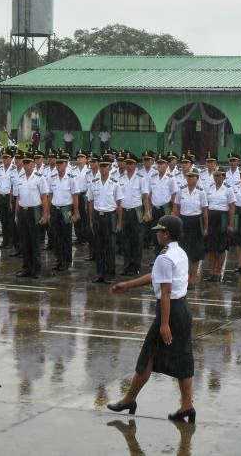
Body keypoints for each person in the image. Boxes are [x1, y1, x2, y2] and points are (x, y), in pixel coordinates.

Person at [107, 215, 196, 423]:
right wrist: (127, 285)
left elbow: (165, 291)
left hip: (169, 311)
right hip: (182, 309)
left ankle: (129, 399)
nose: (156, 234)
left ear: (166, 234)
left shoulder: (165, 257)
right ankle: (187, 405)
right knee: (183, 358)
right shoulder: (179, 252)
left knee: (147, 356)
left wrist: (164, 324)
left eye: (159, 231)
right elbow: (156, 277)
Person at [88, 154, 122, 283]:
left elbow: (119, 204)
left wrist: (119, 222)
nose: (103, 169)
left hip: (110, 216)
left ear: (109, 168)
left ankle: (110, 274)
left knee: (110, 247)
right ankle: (100, 273)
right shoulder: (94, 183)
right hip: (98, 216)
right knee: (99, 246)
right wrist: (91, 220)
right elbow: (90, 202)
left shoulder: (115, 183)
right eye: (101, 166)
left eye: (105, 167)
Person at [16, 151, 50, 278]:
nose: (25, 165)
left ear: (33, 163)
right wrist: (16, 214)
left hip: (34, 211)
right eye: (24, 162)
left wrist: (45, 214)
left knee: (35, 241)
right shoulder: (19, 178)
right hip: (23, 211)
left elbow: (44, 197)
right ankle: (26, 268)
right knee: (24, 242)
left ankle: (36, 269)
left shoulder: (40, 178)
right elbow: (18, 198)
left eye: (28, 162)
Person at [172, 168, 207, 287]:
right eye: (188, 176)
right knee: (183, 249)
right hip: (183, 221)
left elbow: (205, 211)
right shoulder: (181, 191)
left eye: (193, 176)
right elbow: (176, 207)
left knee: (195, 251)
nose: (190, 178)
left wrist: (205, 227)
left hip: (196, 221)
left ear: (197, 178)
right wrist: (175, 222)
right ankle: (184, 277)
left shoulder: (201, 192)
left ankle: (193, 276)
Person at [118, 152, 151, 275]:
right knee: (125, 240)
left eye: (131, 163)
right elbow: (118, 198)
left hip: (136, 211)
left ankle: (136, 266)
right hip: (125, 211)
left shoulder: (141, 178)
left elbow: (145, 196)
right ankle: (126, 266)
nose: (129, 165)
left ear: (135, 164)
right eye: (127, 163)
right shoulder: (121, 178)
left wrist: (147, 211)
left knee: (137, 240)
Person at [48, 151, 79, 271]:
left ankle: (66, 260)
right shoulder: (52, 177)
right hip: (55, 209)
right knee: (56, 236)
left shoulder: (71, 178)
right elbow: (50, 195)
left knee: (66, 236)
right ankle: (59, 260)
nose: (58, 166)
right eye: (57, 163)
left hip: (66, 209)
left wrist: (76, 212)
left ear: (66, 164)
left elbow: (75, 196)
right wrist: (49, 212)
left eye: (61, 163)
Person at [204, 167, 235, 281]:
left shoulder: (228, 189)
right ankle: (211, 271)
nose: (217, 177)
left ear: (223, 176)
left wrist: (230, 224)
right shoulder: (209, 188)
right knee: (211, 247)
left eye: (219, 175)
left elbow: (232, 207)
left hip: (222, 218)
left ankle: (218, 271)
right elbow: (206, 205)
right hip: (211, 217)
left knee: (221, 247)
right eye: (215, 175)